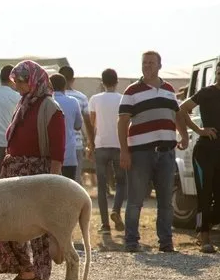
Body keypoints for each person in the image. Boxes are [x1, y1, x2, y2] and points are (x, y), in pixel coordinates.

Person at [0, 60, 65, 280]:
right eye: (17, 82)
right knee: (4, 223)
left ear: (35, 80)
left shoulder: (50, 107)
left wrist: (52, 183)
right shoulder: (23, 103)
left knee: (38, 230)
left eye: (23, 81)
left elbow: (57, 150)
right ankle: (26, 270)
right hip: (14, 173)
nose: (19, 86)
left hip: (38, 176)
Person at [118, 51, 189, 253]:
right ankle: (131, 242)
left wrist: (183, 136)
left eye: (151, 63)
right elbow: (122, 121)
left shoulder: (168, 89)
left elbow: (177, 115)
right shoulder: (131, 91)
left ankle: (166, 242)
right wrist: (124, 151)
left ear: (159, 65)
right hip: (141, 153)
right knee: (135, 200)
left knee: (165, 201)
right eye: (144, 63)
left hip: (167, 152)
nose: (147, 66)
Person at [178, 62, 220, 253]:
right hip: (204, 152)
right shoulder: (206, 92)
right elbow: (181, 109)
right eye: (218, 71)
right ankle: (204, 237)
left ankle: (204, 227)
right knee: (204, 196)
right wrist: (198, 130)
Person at [88, 68, 126, 234]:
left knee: (102, 187)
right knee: (121, 182)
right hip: (118, 145)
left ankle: (104, 225)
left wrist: (90, 145)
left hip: (101, 145)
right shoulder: (123, 99)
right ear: (117, 82)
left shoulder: (95, 99)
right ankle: (116, 210)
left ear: (102, 82)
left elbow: (92, 124)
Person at [59, 65, 93, 184]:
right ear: (73, 80)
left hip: (54, 146)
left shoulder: (49, 98)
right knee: (74, 183)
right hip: (75, 145)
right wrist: (91, 143)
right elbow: (87, 123)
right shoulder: (81, 98)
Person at [50, 73, 83, 179]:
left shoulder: (46, 101)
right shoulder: (73, 102)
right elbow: (78, 125)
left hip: (50, 157)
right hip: (69, 155)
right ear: (64, 86)